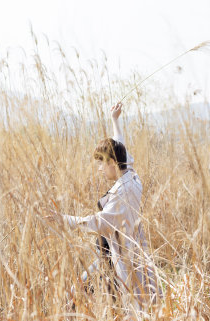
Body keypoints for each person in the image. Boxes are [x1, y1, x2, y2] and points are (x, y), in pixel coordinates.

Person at [49, 103, 160, 308]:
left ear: (112, 163)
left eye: (101, 163)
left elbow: (101, 223)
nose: (100, 169)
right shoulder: (130, 173)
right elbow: (120, 145)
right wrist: (115, 120)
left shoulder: (123, 192)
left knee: (125, 310)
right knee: (77, 294)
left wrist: (65, 220)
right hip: (110, 256)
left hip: (120, 260)